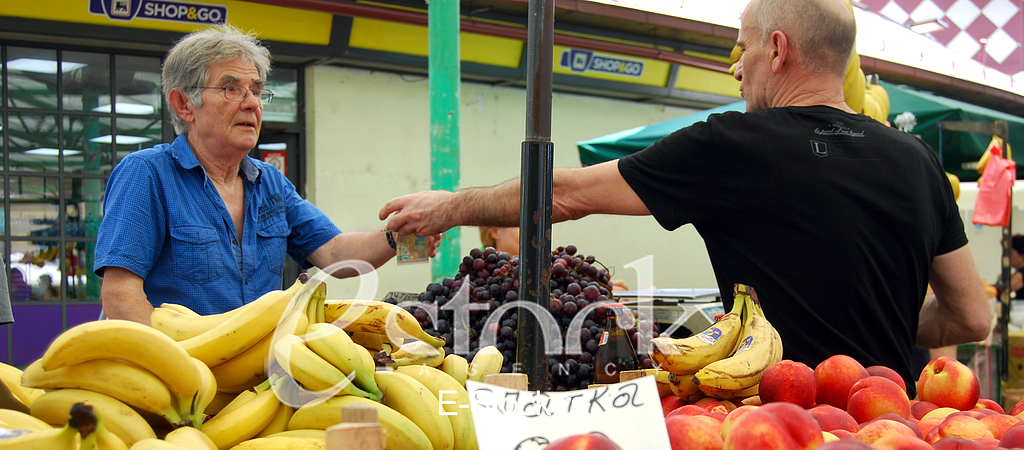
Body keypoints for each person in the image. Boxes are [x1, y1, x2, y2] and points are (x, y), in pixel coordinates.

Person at [378, 0, 991, 392]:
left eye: (743, 48)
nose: (738, 68)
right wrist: (871, 317)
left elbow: (564, 195)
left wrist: (452, 206)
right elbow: (971, 317)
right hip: (896, 424)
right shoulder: (919, 163)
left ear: (777, 50)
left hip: (777, 428)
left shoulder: (733, 145)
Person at [94, 25, 436, 322]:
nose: (252, 103)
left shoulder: (270, 183)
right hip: (180, 377)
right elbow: (121, 293)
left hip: (257, 375)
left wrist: (400, 235)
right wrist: (178, 366)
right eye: (231, 89)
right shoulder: (147, 175)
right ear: (184, 104)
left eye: (256, 91)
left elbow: (334, 254)